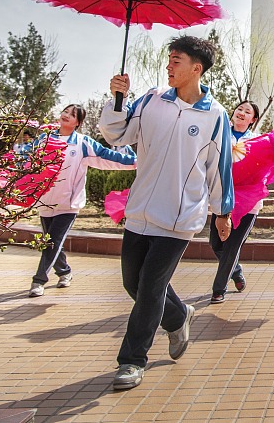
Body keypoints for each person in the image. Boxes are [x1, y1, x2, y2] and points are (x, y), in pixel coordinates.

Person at [100, 35, 235, 391]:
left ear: (196, 68)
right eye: (169, 59)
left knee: (149, 288)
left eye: (177, 60)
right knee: (134, 283)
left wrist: (222, 211)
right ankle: (178, 315)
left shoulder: (214, 115)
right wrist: (118, 99)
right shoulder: (151, 100)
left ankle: (132, 360)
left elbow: (218, 167)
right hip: (141, 208)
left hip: (180, 217)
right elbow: (116, 134)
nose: (169, 66)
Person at [28, 104, 136, 297]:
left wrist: (137, 162)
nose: (66, 115)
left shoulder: (82, 143)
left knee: (52, 242)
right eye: (65, 112)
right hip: (45, 202)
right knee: (51, 242)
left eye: (72, 115)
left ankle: (39, 280)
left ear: (78, 122)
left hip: (68, 205)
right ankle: (64, 271)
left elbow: (107, 156)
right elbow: (25, 161)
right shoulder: (43, 141)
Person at [208, 100, 261, 304]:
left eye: (247, 111)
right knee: (216, 243)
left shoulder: (255, 140)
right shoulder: (220, 133)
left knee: (232, 246)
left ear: (252, 119)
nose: (241, 113)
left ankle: (218, 289)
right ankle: (236, 271)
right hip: (222, 198)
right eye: (239, 109)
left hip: (248, 202)